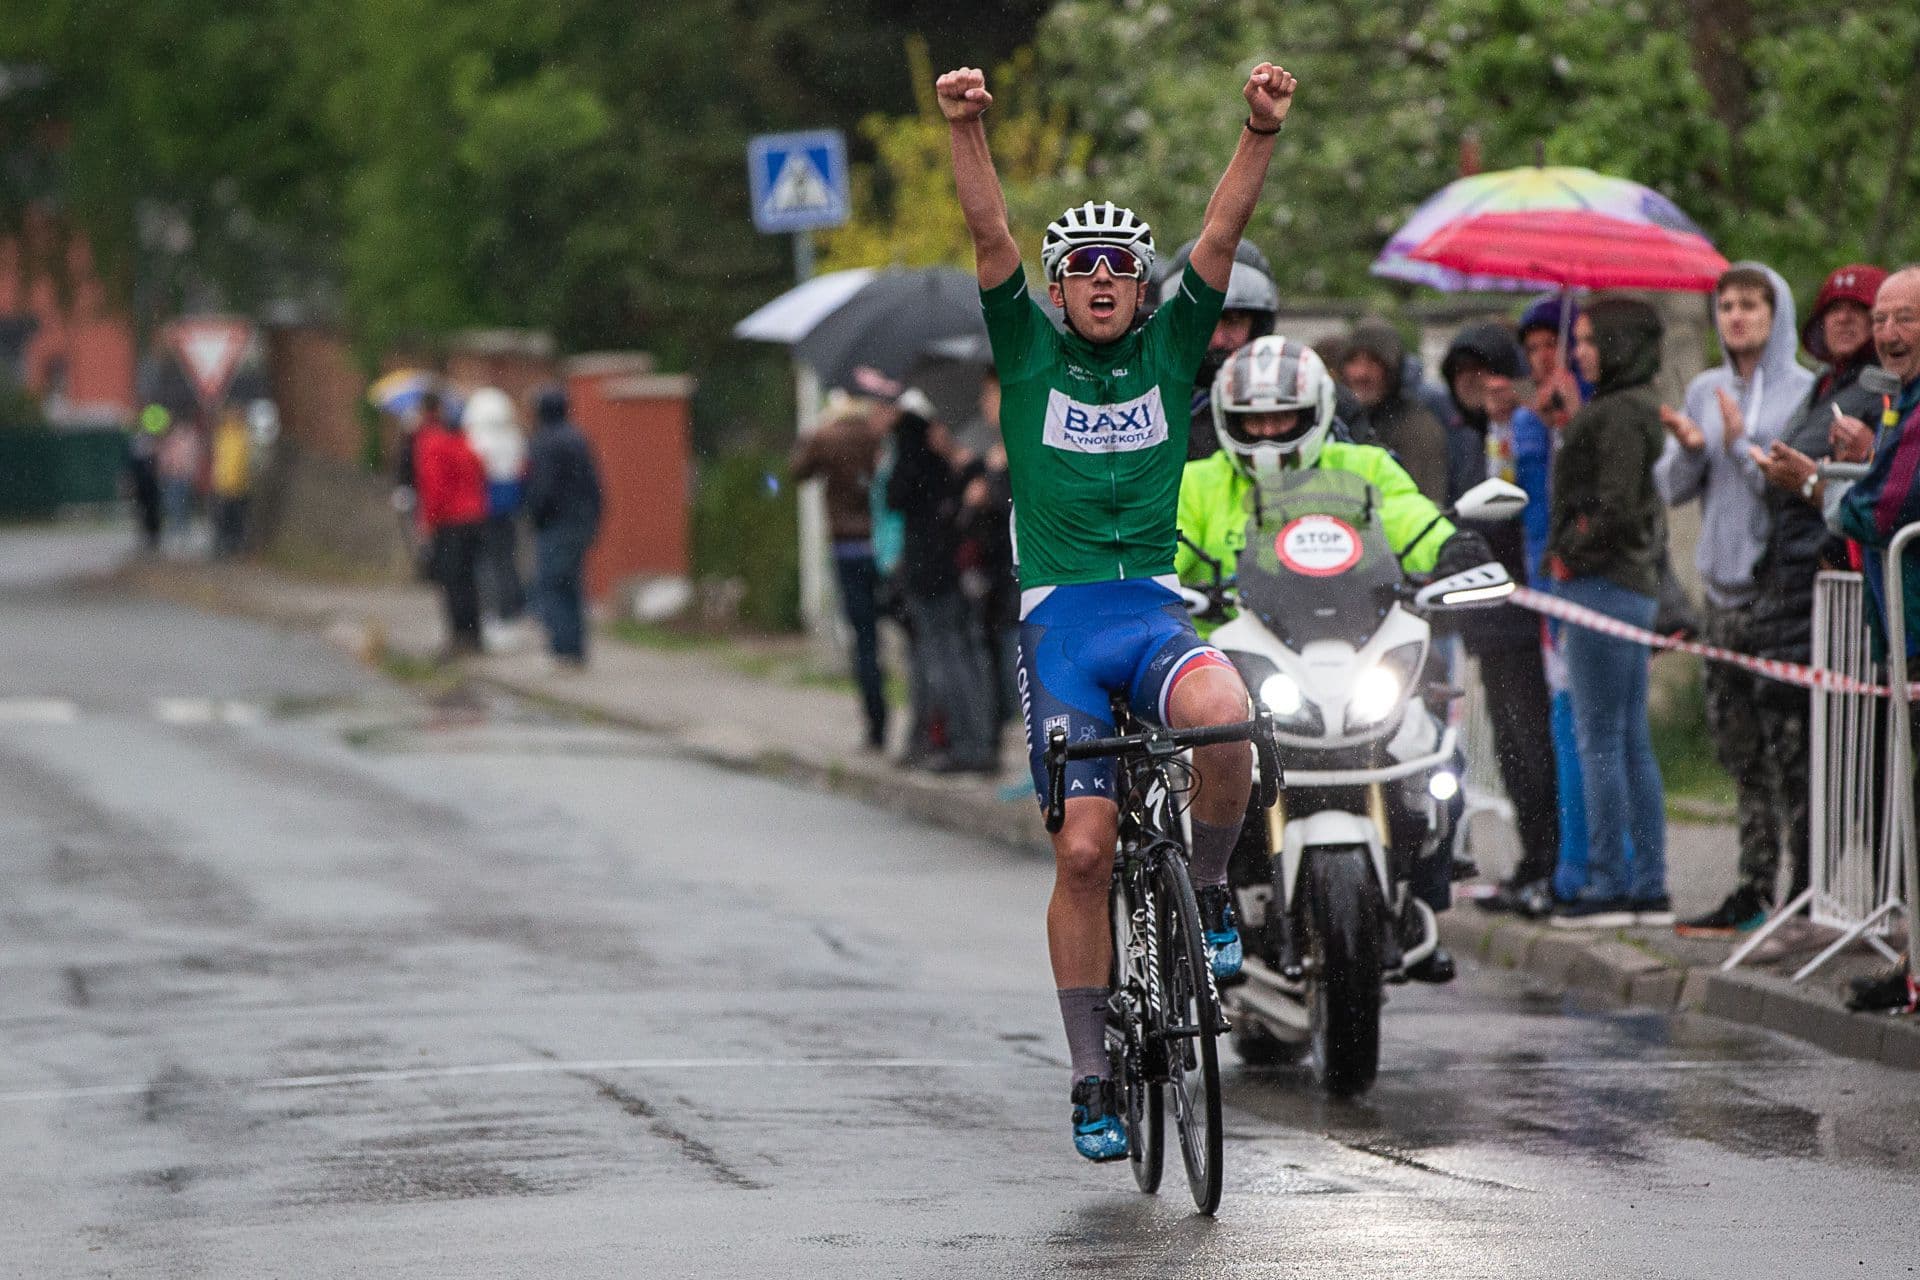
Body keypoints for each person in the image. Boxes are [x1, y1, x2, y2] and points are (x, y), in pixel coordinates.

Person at [938, 56, 1290, 1160]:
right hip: (1065, 633)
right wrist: (966, 128)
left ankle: (1211, 888)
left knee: (1229, 713)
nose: (1100, 281)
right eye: (1081, 267)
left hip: (1150, 614)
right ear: (1058, 289)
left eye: (1119, 270)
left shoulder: (1171, 344)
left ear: (1144, 290)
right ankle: (1092, 1075)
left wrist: (1258, 131)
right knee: (1084, 851)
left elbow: (1220, 237)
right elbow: (991, 233)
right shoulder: (1030, 350)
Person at [1176, 334, 1493, 982]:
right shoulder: (1198, 480)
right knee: (1184, 782)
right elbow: (1163, 547)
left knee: (1435, 754)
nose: (1266, 434)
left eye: (1282, 418)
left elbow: (1409, 516)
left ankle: (1425, 901)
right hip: (1239, 671)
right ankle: (1210, 907)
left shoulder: (1363, 468)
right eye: (1251, 421)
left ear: (1316, 411)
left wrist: (1453, 549)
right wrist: (1159, 580)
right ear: (1225, 423)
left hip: (1350, 656)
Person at [1690, 265, 1891, 935]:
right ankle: (1785, 895)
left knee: (1829, 764)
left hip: (1826, 598)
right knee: (1767, 759)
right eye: (1831, 311)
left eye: (1860, 312)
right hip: (1780, 593)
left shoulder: (1852, 392)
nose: (1844, 322)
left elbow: (1848, 489)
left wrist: (1770, 462)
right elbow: (1677, 486)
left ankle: (1827, 904)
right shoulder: (1830, 388)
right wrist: (1706, 447)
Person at [1656, 264, 1814, 933]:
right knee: (1739, 748)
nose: (1737, 317)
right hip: (1719, 591)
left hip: (1777, 594)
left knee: (1793, 751)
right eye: (1726, 306)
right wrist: (1695, 448)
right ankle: (1752, 886)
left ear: (1776, 314)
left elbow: (1791, 489)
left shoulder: (1804, 391)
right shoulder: (1705, 388)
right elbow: (1672, 488)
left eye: (1751, 305)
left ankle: (1804, 888)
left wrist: (1740, 448)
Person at [1546, 299, 1670, 927]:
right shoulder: (1625, 407)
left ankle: (1608, 883)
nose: (1580, 351)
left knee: (1600, 739)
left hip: (1602, 585)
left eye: (1593, 341)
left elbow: (1616, 504)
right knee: (1627, 739)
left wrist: (1568, 551)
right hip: (1630, 585)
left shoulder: (1618, 414)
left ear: (1622, 345)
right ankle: (1648, 884)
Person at [1817, 266, 1920, 1012]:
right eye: (1883, 318)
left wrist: (1817, 489)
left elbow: (1879, 510)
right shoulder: (1898, 401)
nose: (1887, 332)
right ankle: (1913, 966)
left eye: (1905, 318)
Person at [1440, 325, 1561, 915]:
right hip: (1485, 620)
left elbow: (1515, 508)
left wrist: (1509, 426)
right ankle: (1529, 864)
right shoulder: (1464, 440)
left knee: (1537, 744)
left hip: (1527, 616)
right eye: (1464, 376)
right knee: (1511, 749)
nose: (1477, 386)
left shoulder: (1521, 431)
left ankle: (1550, 864)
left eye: (1488, 372)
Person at [885, 392, 999, 774]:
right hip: (951, 570)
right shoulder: (946, 461)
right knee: (963, 656)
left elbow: (895, 495)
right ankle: (974, 742)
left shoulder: (915, 451)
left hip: (933, 573)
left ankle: (968, 745)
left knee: (946, 660)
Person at [791, 399, 891, 750]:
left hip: (847, 549)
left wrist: (809, 436)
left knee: (863, 639)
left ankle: (876, 725)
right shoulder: (877, 436)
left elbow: (796, 472)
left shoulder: (825, 437)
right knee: (905, 633)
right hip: (884, 549)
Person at [1155, 237, 1281, 460]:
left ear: (1259, 325)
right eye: (1204, 322)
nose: (1218, 340)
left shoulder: (1304, 401)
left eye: (1234, 320)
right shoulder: (1145, 406)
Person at [524, 386, 604, 667]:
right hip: (580, 520)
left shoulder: (544, 442)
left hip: (556, 523)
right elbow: (595, 484)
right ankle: (577, 647)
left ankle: (563, 649)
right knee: (573, 584)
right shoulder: (578, 438)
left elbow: (542, 488)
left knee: (553, 584)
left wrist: (534, 513)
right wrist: (595, 518)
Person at [1338, 318, 1451, 505]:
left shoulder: (1418, 428)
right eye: (1353, 361)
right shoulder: (1334, 422)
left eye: (1373, 362)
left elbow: (1427, 505)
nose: (1361, 373)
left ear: (1392, 370)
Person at [411, 390, 489, 658]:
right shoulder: (462, 442)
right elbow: (480, 472)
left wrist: (428, 523)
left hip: (450, 521)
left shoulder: (431, 444)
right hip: (474, 517)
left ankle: (459, 638)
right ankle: (474, 637)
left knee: (452, 582)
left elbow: (434, 488)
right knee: (468, 580)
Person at [461, 387, 529, 636]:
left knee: (486, 564)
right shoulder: (515, 439)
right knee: (507, 561)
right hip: (509, 511)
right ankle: (512, 608)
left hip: (482, 511)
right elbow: (522, 473)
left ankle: (494, 611)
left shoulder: (475, 441)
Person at [208, 407, 253, 559]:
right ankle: (223, 544)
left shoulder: (244, 436)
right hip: (223, 484)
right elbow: (218, 459)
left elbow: (246, 461)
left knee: (237, 518)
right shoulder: (222, 436)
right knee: (223, 517)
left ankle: (235, 544)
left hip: (240, 485)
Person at [127, 404, 168, 551]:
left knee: (152, 509)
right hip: (143, 482)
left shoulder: (152, 441)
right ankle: (147, 536)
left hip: (151, 482)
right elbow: (133, 463)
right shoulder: (138, 441)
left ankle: (153, 536)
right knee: (143, 509)